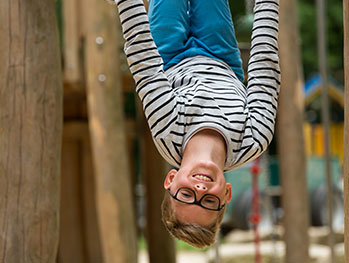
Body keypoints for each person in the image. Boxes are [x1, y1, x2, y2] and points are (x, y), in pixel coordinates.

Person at [112, 0, 280, 247]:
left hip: (168, 56)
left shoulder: (168, 133)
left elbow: (144, 63)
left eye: (187, 194)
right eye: (209, 201)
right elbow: (265, 69)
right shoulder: (253, 140)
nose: (200, 189)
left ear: (171, 180)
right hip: (222, 58)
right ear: (226, 194)